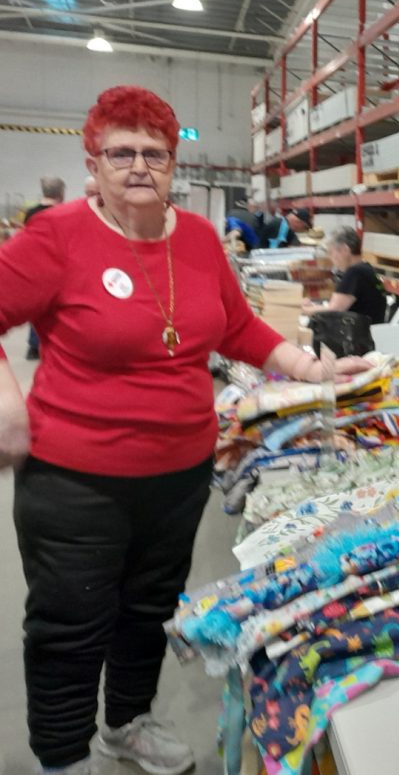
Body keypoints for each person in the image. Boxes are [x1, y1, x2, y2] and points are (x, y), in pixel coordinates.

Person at [0, 85, 366, 775]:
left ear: (174, 165)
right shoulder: (57, 236)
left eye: (155, 153)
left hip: (178, 475)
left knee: (147, 611)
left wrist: (304, 367)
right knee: (70, 625)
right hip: (75, 480)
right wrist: (5, 397)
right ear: (94, 160)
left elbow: (236, 326)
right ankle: (61, 757)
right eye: (122, 151)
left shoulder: (196, 239)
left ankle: (126, 724)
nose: (139, 165)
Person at [301, 225, 388, 324]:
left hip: (358, 335)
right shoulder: (366, 268)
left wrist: (303, 310)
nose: (330, 257)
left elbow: (334, 311)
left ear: (345, 250)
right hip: (371, 330)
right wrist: (313, 307)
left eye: (331, 252)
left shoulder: (354, 273)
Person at [21, 177, 66, 360]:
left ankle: (33, 346)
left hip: (33, 265)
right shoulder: (62, 213)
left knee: (37, 307)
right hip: (56, 266)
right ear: (61, 193)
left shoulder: (30, 213)